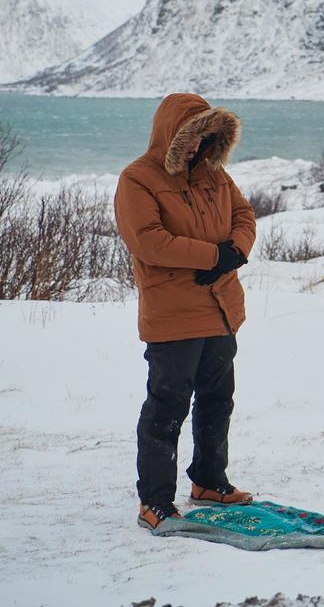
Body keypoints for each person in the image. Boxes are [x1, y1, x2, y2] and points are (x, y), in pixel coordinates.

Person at [114, 92, 258, 531]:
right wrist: (213, 256)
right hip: (173, 314)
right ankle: (155, 501)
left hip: (221, 310)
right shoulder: (138, 179)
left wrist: (236, 250)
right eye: (191, 138)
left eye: (206, 138)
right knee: (166, 409)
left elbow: (245, 215)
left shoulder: (216, 175)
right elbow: (148, 241)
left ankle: (209, 482)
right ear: (171, 136)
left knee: (218, 401)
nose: (198, 147)